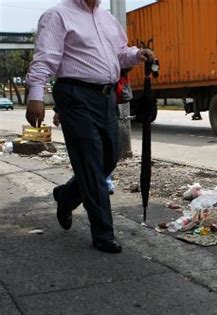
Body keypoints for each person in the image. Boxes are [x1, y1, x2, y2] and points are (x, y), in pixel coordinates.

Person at [26, 0, 154, 253]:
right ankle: (103, 233)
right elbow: (46, 59)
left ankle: (66, 196)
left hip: (106, 96)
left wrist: (137, 54)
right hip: (75, 95)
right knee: (91, 163)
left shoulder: (107, 18)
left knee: (109, 158)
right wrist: (35, 96)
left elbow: (119, 52)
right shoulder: (58, 16)